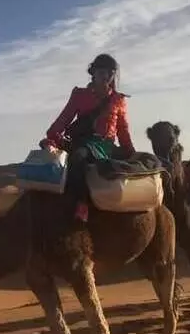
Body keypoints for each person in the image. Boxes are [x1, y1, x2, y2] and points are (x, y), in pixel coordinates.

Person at [40, 53, 135, 222]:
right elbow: (63, 120)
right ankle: (77, 204)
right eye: (101, 72)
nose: (105, 76)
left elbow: (122, 129)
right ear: (93, 73)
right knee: (76, 157)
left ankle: (87, 204)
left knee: (136, 163)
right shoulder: (79, 95)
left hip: (105, 145)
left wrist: (130, 150)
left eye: (109, 72)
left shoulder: (118, 100)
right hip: (82, 142)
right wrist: (52, 139)